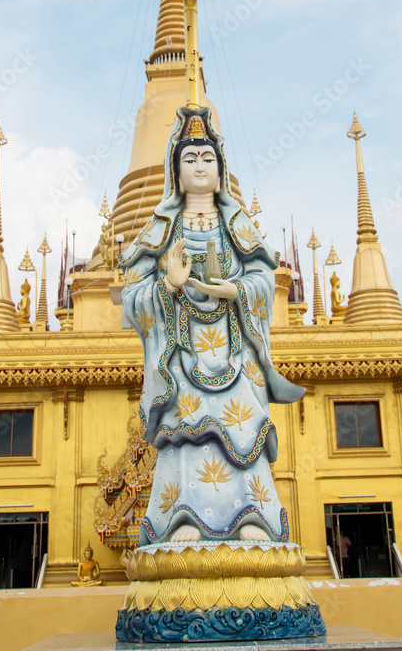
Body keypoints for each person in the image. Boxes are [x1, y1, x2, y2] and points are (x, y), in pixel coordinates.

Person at [120, 107, 303, 546]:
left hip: (234, 350)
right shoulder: (161, 229)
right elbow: (131, 301)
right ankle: (181, 516)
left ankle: (252, 515)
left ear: (220, 173)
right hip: (183, 354)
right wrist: (169, 284)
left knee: (241, 432)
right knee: (187, 434)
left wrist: (234, 291)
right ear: (175, 172)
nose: (199, 166)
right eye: (190, 159)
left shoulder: (235, 225)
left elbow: (263, 280)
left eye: (207, 159)